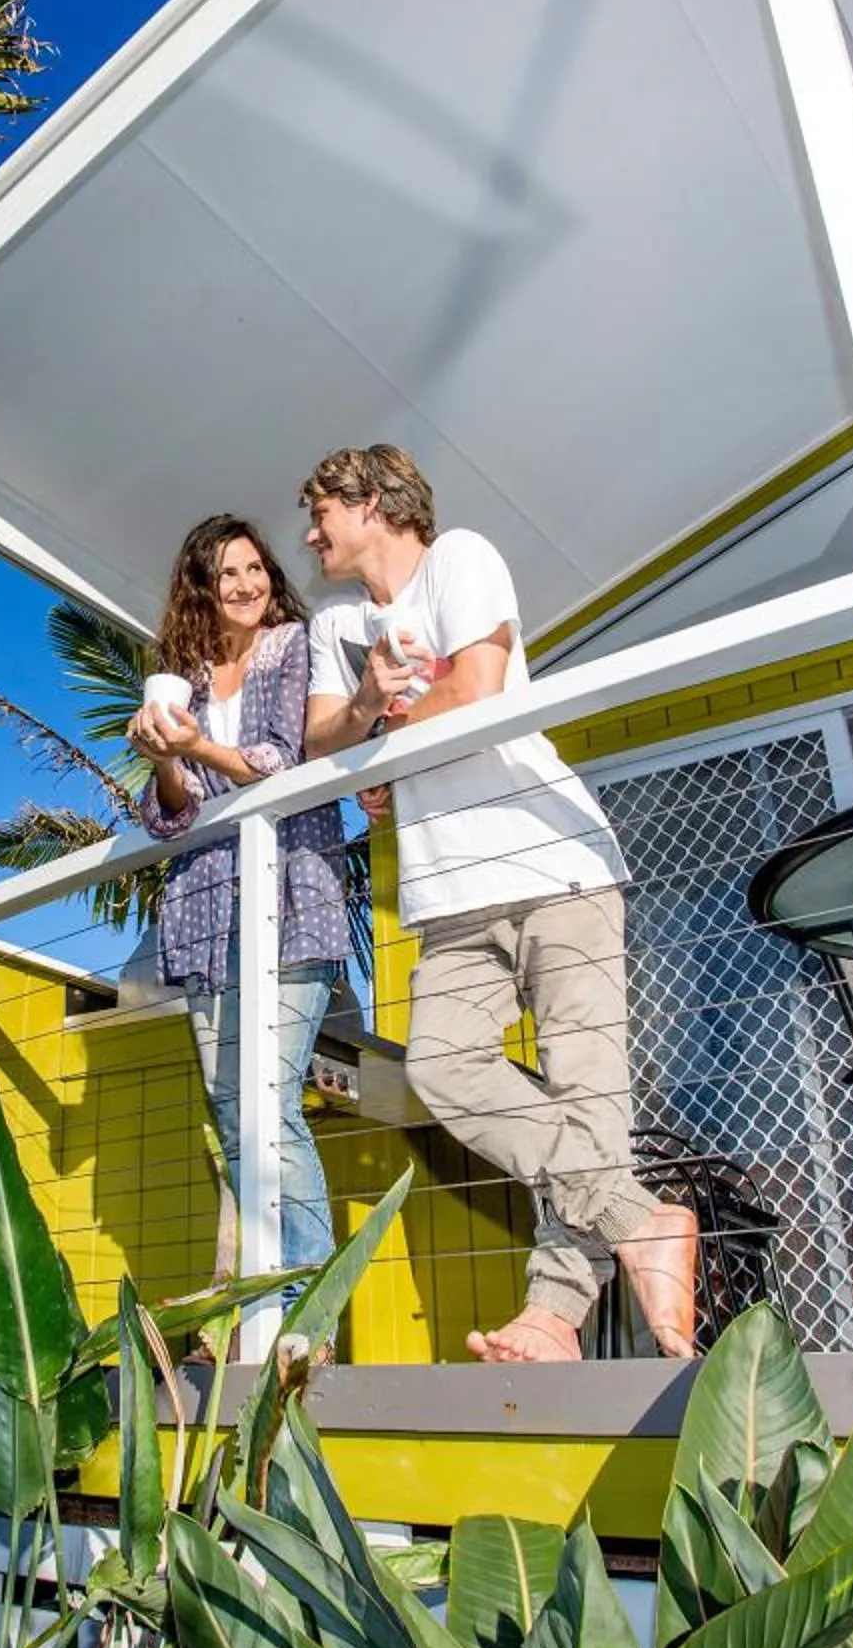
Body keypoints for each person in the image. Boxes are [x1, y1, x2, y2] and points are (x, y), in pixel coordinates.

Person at [299, 444, 698, 1362]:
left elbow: (476, 690)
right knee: (442, 1069)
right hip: (451, 898)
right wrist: (369, 710)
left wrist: (383, 741)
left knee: (586, 1099)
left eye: (320, 509)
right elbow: (325, 739)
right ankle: (641, 1222)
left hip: (556, 866)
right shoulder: (337, 623)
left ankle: (554, 1318)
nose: (311, 532)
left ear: (371, 502)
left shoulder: (460, 559)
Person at [128, 516, 353, 1334]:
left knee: (272, 1101)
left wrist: (204, 752)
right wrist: (162, 755)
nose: (247, 584)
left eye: (256, 567)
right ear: (202, 586)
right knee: (231, 1112)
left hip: (292, 900)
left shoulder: (296, 648)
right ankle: (261, 1302)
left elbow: (291, 761)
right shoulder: (180, 679)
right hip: (203, 912)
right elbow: (169, 818)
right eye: (227, 573)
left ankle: (308, 1316)